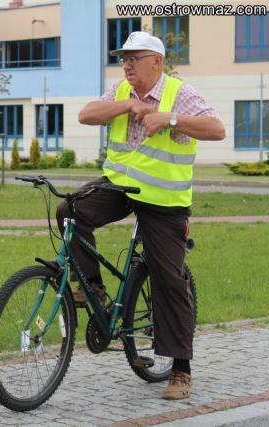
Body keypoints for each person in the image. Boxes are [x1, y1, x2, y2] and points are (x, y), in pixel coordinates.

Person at [58, 31, 225, 400]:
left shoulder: (179, 93)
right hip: (120, 187)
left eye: (134, 58)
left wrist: (170, 119)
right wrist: (127, 106)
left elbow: (216, 129)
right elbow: (86, 114)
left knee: (168, 278)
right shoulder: (122, 91)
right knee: (69, 209)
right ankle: (94, 287)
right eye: (124, 58)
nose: (127, 65)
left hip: (163, 200)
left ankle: (180, 369)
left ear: (157, 62)